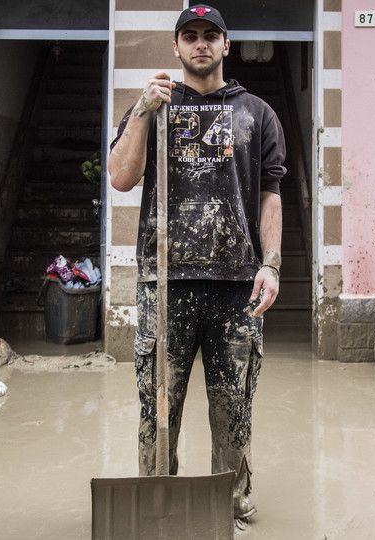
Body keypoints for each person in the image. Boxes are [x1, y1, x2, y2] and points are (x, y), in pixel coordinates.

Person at [107, 4, 285, 522]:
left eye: (211, 35)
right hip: (165, 282)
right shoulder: (155, 106)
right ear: (177, 47)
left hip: (236, 287)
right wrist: (141, 110)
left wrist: (270, 264)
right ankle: (157, 503)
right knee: (158, 402)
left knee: (234, 406)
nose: (201, 44)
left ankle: (229, 503)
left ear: (226, 45)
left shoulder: (257, 113)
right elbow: (120, 177)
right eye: (191, 36)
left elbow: (270, 195)